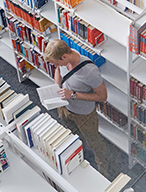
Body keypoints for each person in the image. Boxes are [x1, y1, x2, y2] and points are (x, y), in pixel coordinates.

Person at [43, 39, 109, 176]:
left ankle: (104, 171)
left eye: (56, 62)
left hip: (84, 114)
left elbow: (102, 96)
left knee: (95, 143)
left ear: (64, 57)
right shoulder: (63, 61)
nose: (55, 66)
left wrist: (72, 95)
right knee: (72, 136)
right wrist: (57, 87)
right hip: (64, 107)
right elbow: (58, 71)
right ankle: (78, 158)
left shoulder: (90, 72)